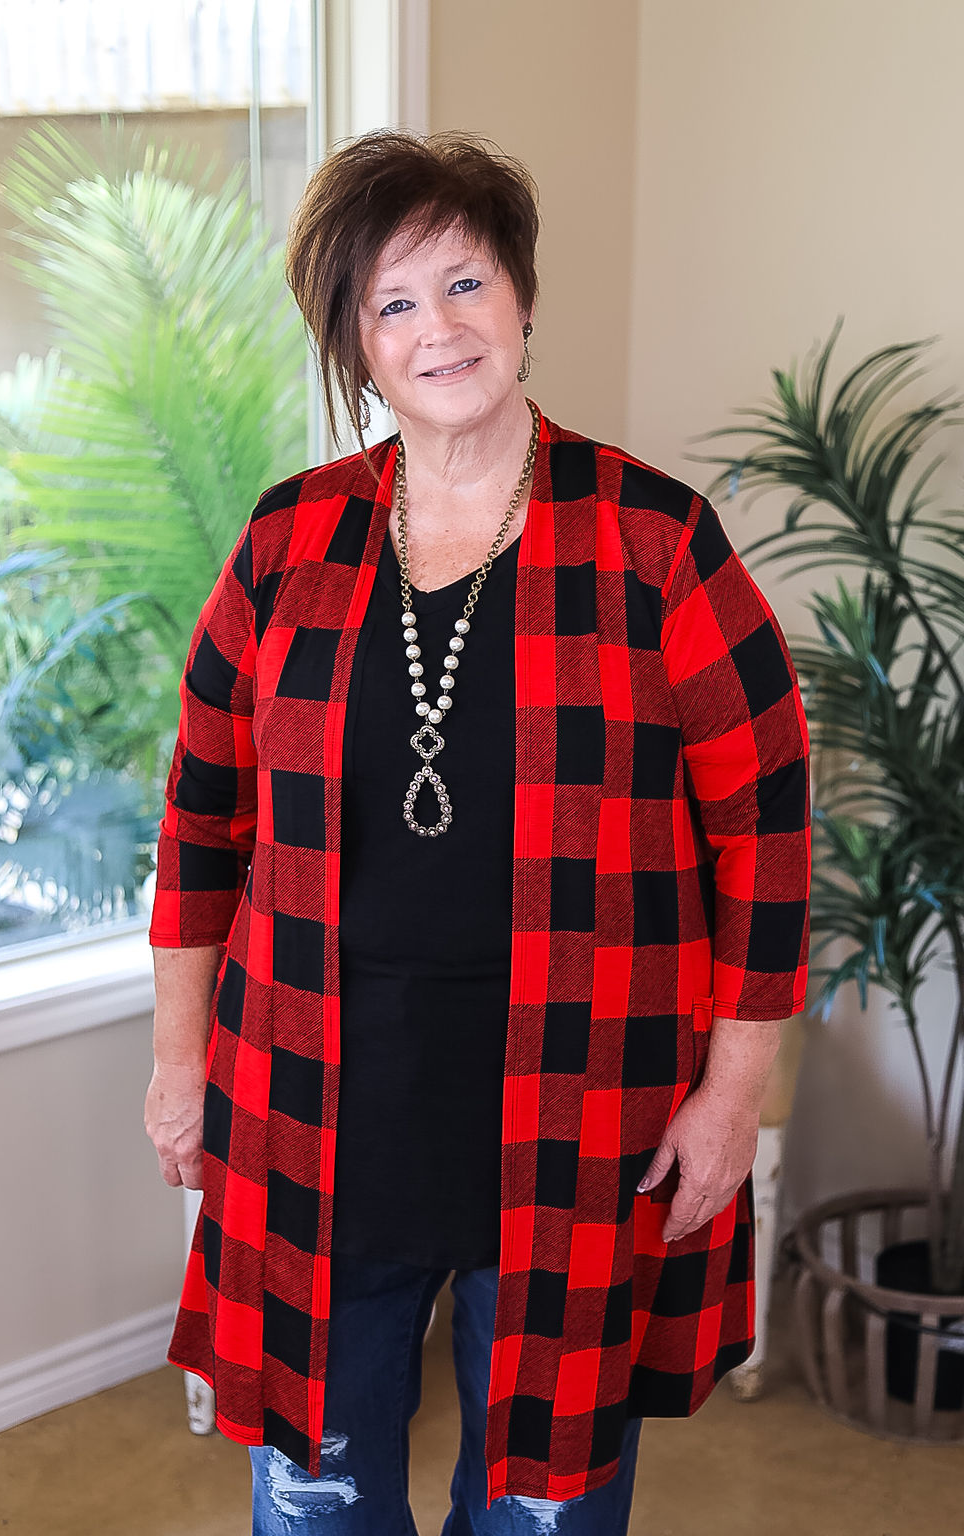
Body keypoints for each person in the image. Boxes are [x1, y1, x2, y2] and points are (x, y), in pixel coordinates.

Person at [144, 130, 810, 1536]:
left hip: (588, 1106)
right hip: (317, 1102)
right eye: (392, 303)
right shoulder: (284, 545)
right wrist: (177, 1061)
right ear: (355, 345)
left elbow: (769, 828)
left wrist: (734, 1093)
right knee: (317, 1504)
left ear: (521, 300)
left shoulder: (656, 541)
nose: (436, 328)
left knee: (542, 1514)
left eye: (463, 282)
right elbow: (200, 823)